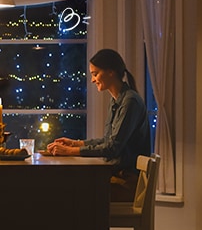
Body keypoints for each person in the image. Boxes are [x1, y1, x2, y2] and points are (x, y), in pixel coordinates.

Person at [47, 48, 151, 203]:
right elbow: (108, 140)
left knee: (69, 194)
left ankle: (87, 227)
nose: (92, 80)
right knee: (67, 190)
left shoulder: (130, 101)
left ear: (110, 72)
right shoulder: (117, 100)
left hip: (127, 182)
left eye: (95, 74)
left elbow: (112, 148)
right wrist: (76, 143)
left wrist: (70, 151)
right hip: (117, 177)